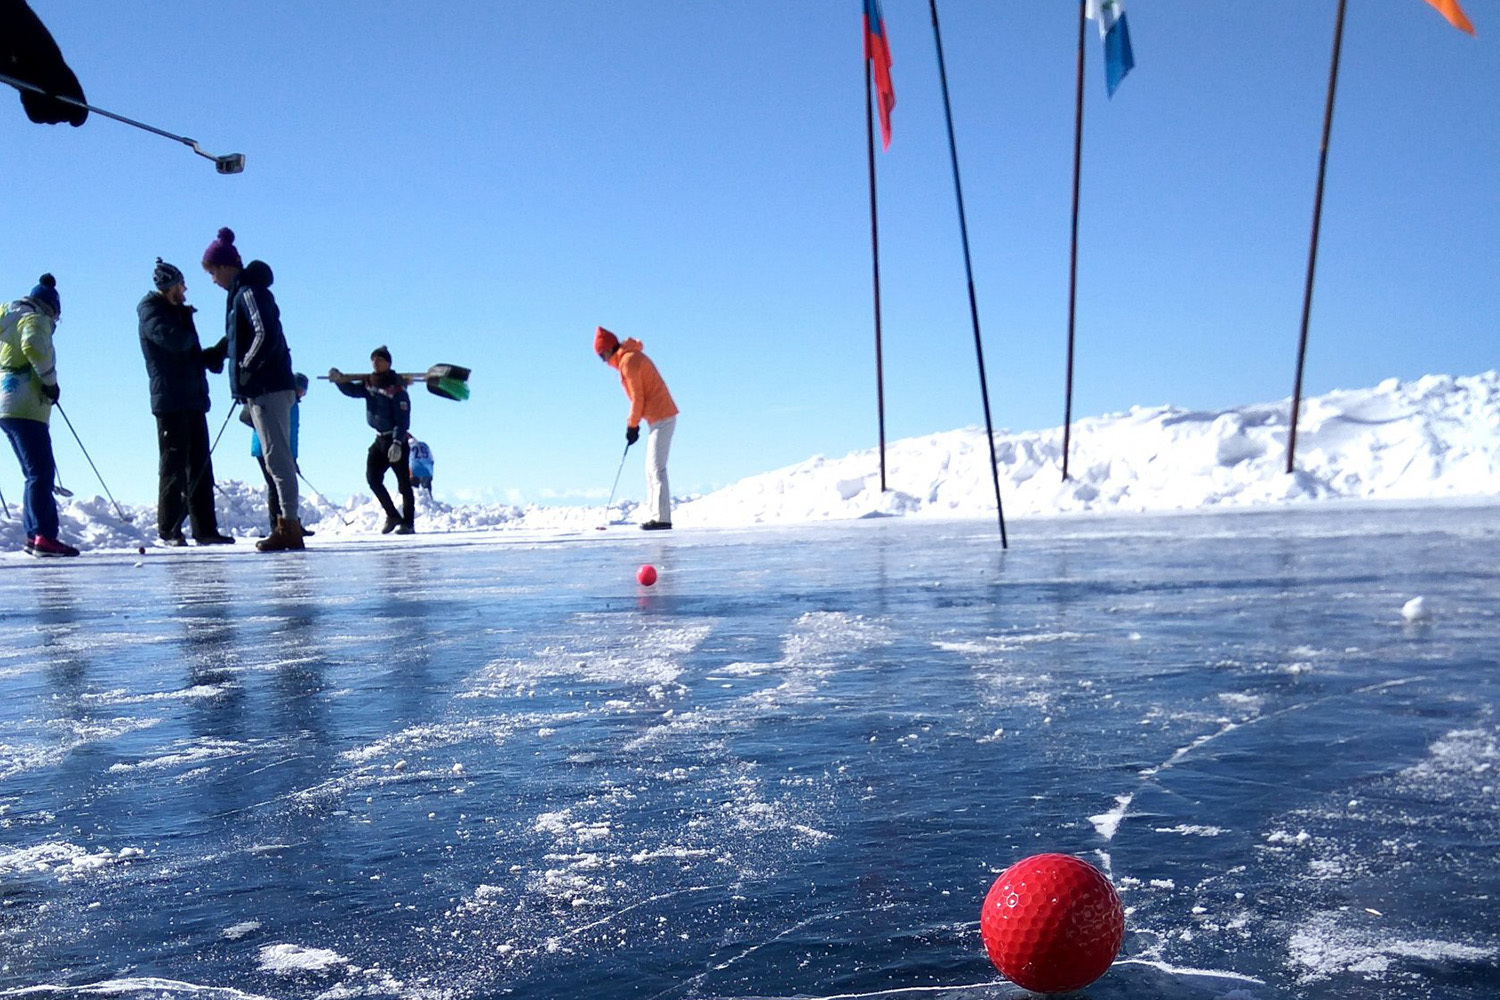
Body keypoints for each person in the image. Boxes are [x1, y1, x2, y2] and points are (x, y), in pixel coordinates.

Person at [201, 226, 303, 552]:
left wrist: (245, 367)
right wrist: (220, 352)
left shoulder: (249, 292)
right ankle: (286, 523)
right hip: (263, 387)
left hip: (267, 386)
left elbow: (263, 334)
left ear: (227, 266)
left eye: (213, 271)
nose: (213, 279)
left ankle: (289, 525)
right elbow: (243, 336)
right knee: (275, 458)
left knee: (278, 459)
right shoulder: (243, 294)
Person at [137, 258, 234, 546]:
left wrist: (216, 353)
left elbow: (188, 353)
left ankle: (205, 529)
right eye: (181, 284)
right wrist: (190, 335)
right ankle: (169, 528)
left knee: (201, 465)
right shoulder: (152, 311)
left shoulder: (178, 313)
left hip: (192, 399)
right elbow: (174, 342)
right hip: (170, 399)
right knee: (173, 465)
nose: (185, 289)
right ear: (169, 286)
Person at [0, 274, 77, 555]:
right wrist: (50, 382)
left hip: (6, 405)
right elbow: (33, 345)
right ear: (51, 308)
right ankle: (44, 535)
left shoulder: (6, 316)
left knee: (33, 473)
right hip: (27, 406)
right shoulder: (35, 318)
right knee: (41, 472)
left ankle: (34, 535)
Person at [594, 326, 678, 530]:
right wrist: (635, 424)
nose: (604, 362)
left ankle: (662, 519)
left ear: (607, 351)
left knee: (656, 467)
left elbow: (637, 396)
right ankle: (657, 515)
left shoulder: (628, 361)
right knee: (651, 468)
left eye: (601, 356)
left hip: (662, 415)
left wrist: (632, 426)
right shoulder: (628, 358)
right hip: (657, 416)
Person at [329, 346, 414, 534]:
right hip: (379, 440)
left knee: (403, 484)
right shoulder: (369, 385)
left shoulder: (397, 388)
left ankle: (408, 522)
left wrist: (398, 442)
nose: (375, 362)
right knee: (373, 478)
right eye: (373, 359)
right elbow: (351, 390)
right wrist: (339, 381)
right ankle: (392, 515)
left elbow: (403, 419)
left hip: (394, 439)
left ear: (388, 363)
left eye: (380, 359)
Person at [246, 372, 310, 534]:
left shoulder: (292, 404)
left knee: (280, 484)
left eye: (304, 391)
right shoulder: (284, 402)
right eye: (300, 389)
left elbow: (292, 435)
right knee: (276, 485)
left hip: (281, 449)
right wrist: (261, 428)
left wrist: (293, 458)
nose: (302, 393)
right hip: (266, 447)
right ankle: (277, 524)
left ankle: (289, 521)